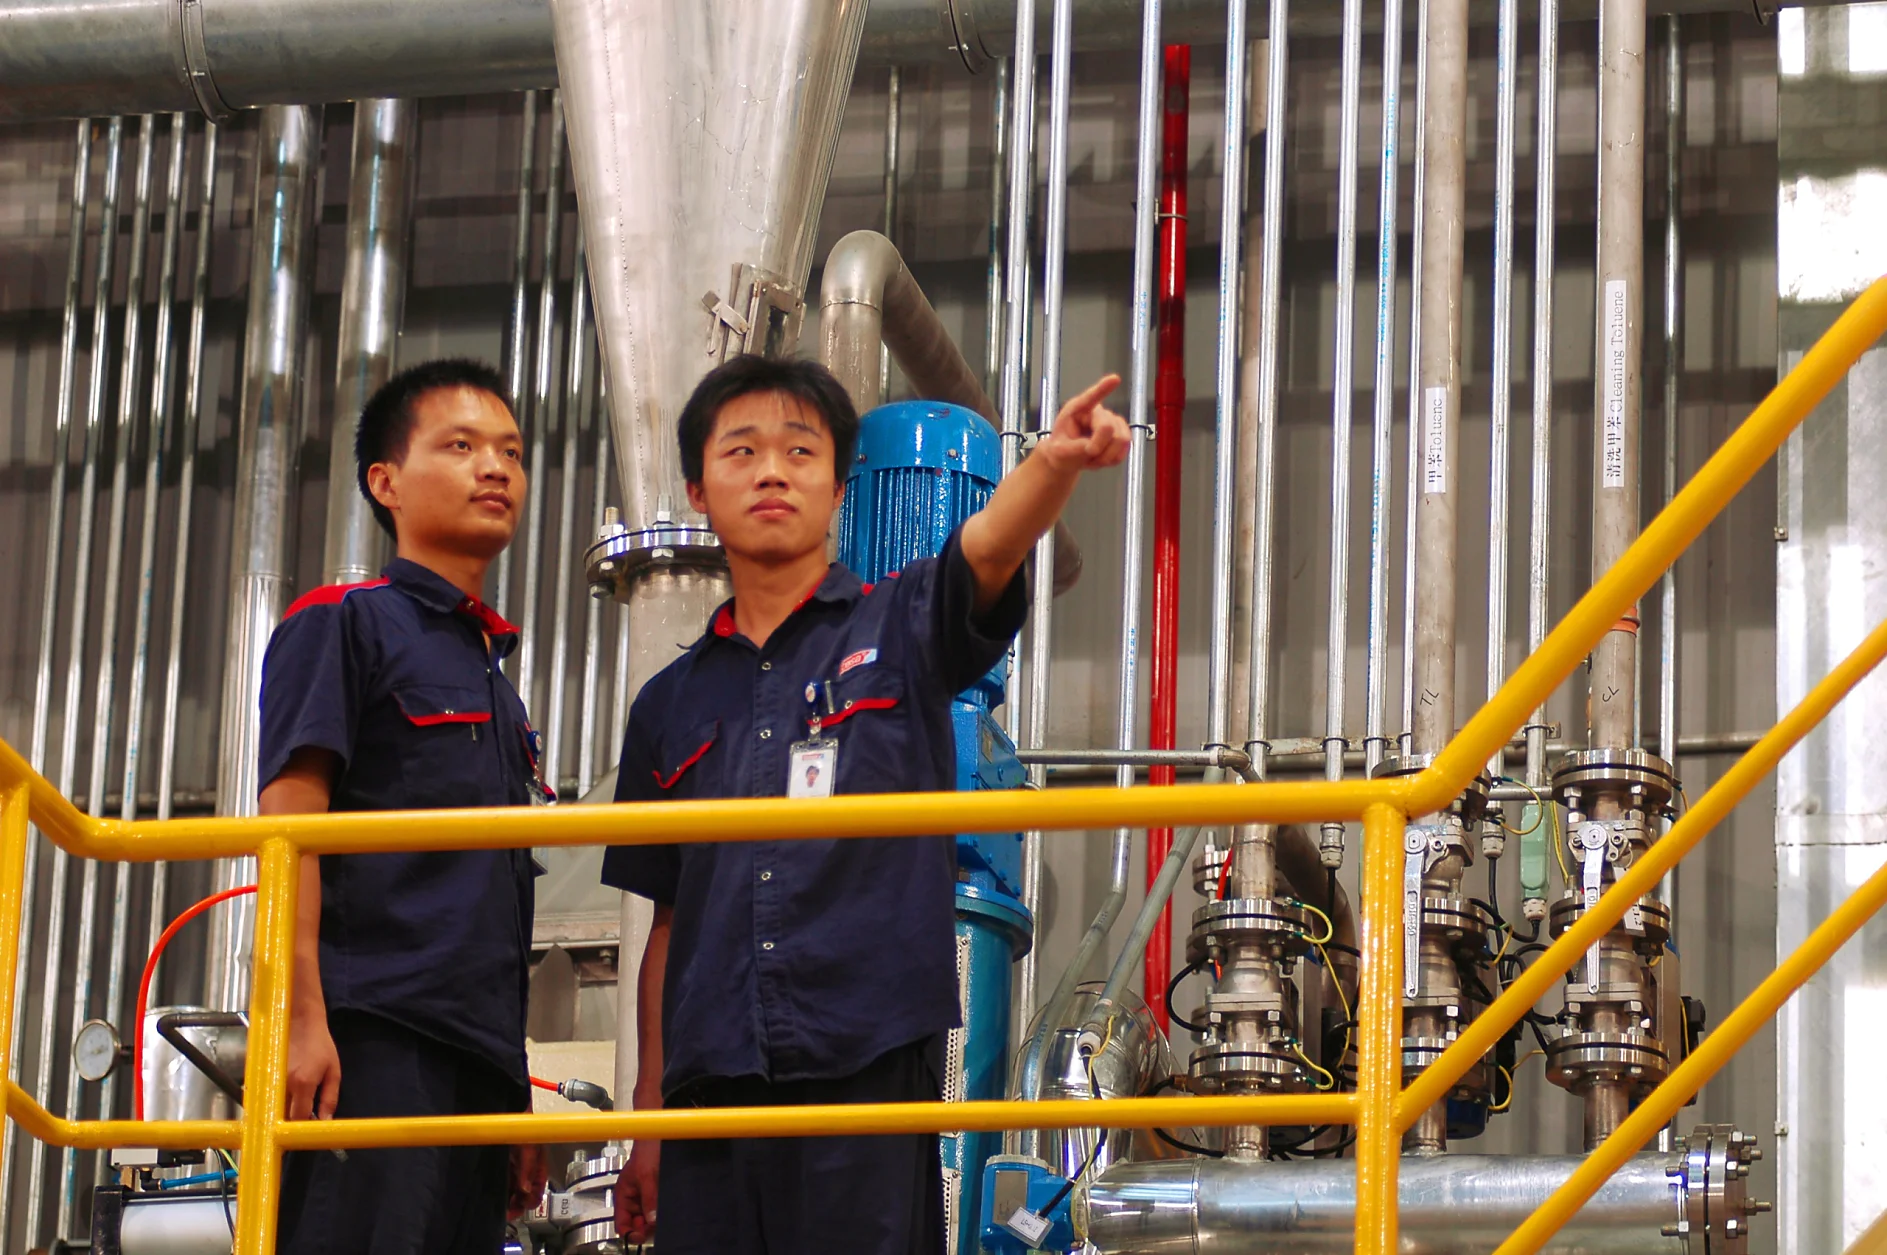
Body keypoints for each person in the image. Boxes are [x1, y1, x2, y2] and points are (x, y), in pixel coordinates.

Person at [602, 354, 1129, 1254]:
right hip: (710, 1082)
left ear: (839, 484)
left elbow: (987, 549)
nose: (772, 470)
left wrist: (1051, 464)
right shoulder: (666, 704)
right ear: (697, 488)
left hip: (867, 1063)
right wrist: (646, 1115)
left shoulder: (900, 626)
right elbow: (666, 924)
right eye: (742, 451)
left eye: (799, 451)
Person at [259, 358, 551, 1254]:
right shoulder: (343, 622)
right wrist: (300, 1019)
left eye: (508, 449)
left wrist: (515, 1086)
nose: (494, 467)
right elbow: (290, 825)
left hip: (477, 1063)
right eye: (459, 446)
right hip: (374, 1037)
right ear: (385, 481)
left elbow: (493, 903)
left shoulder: (498, 685)